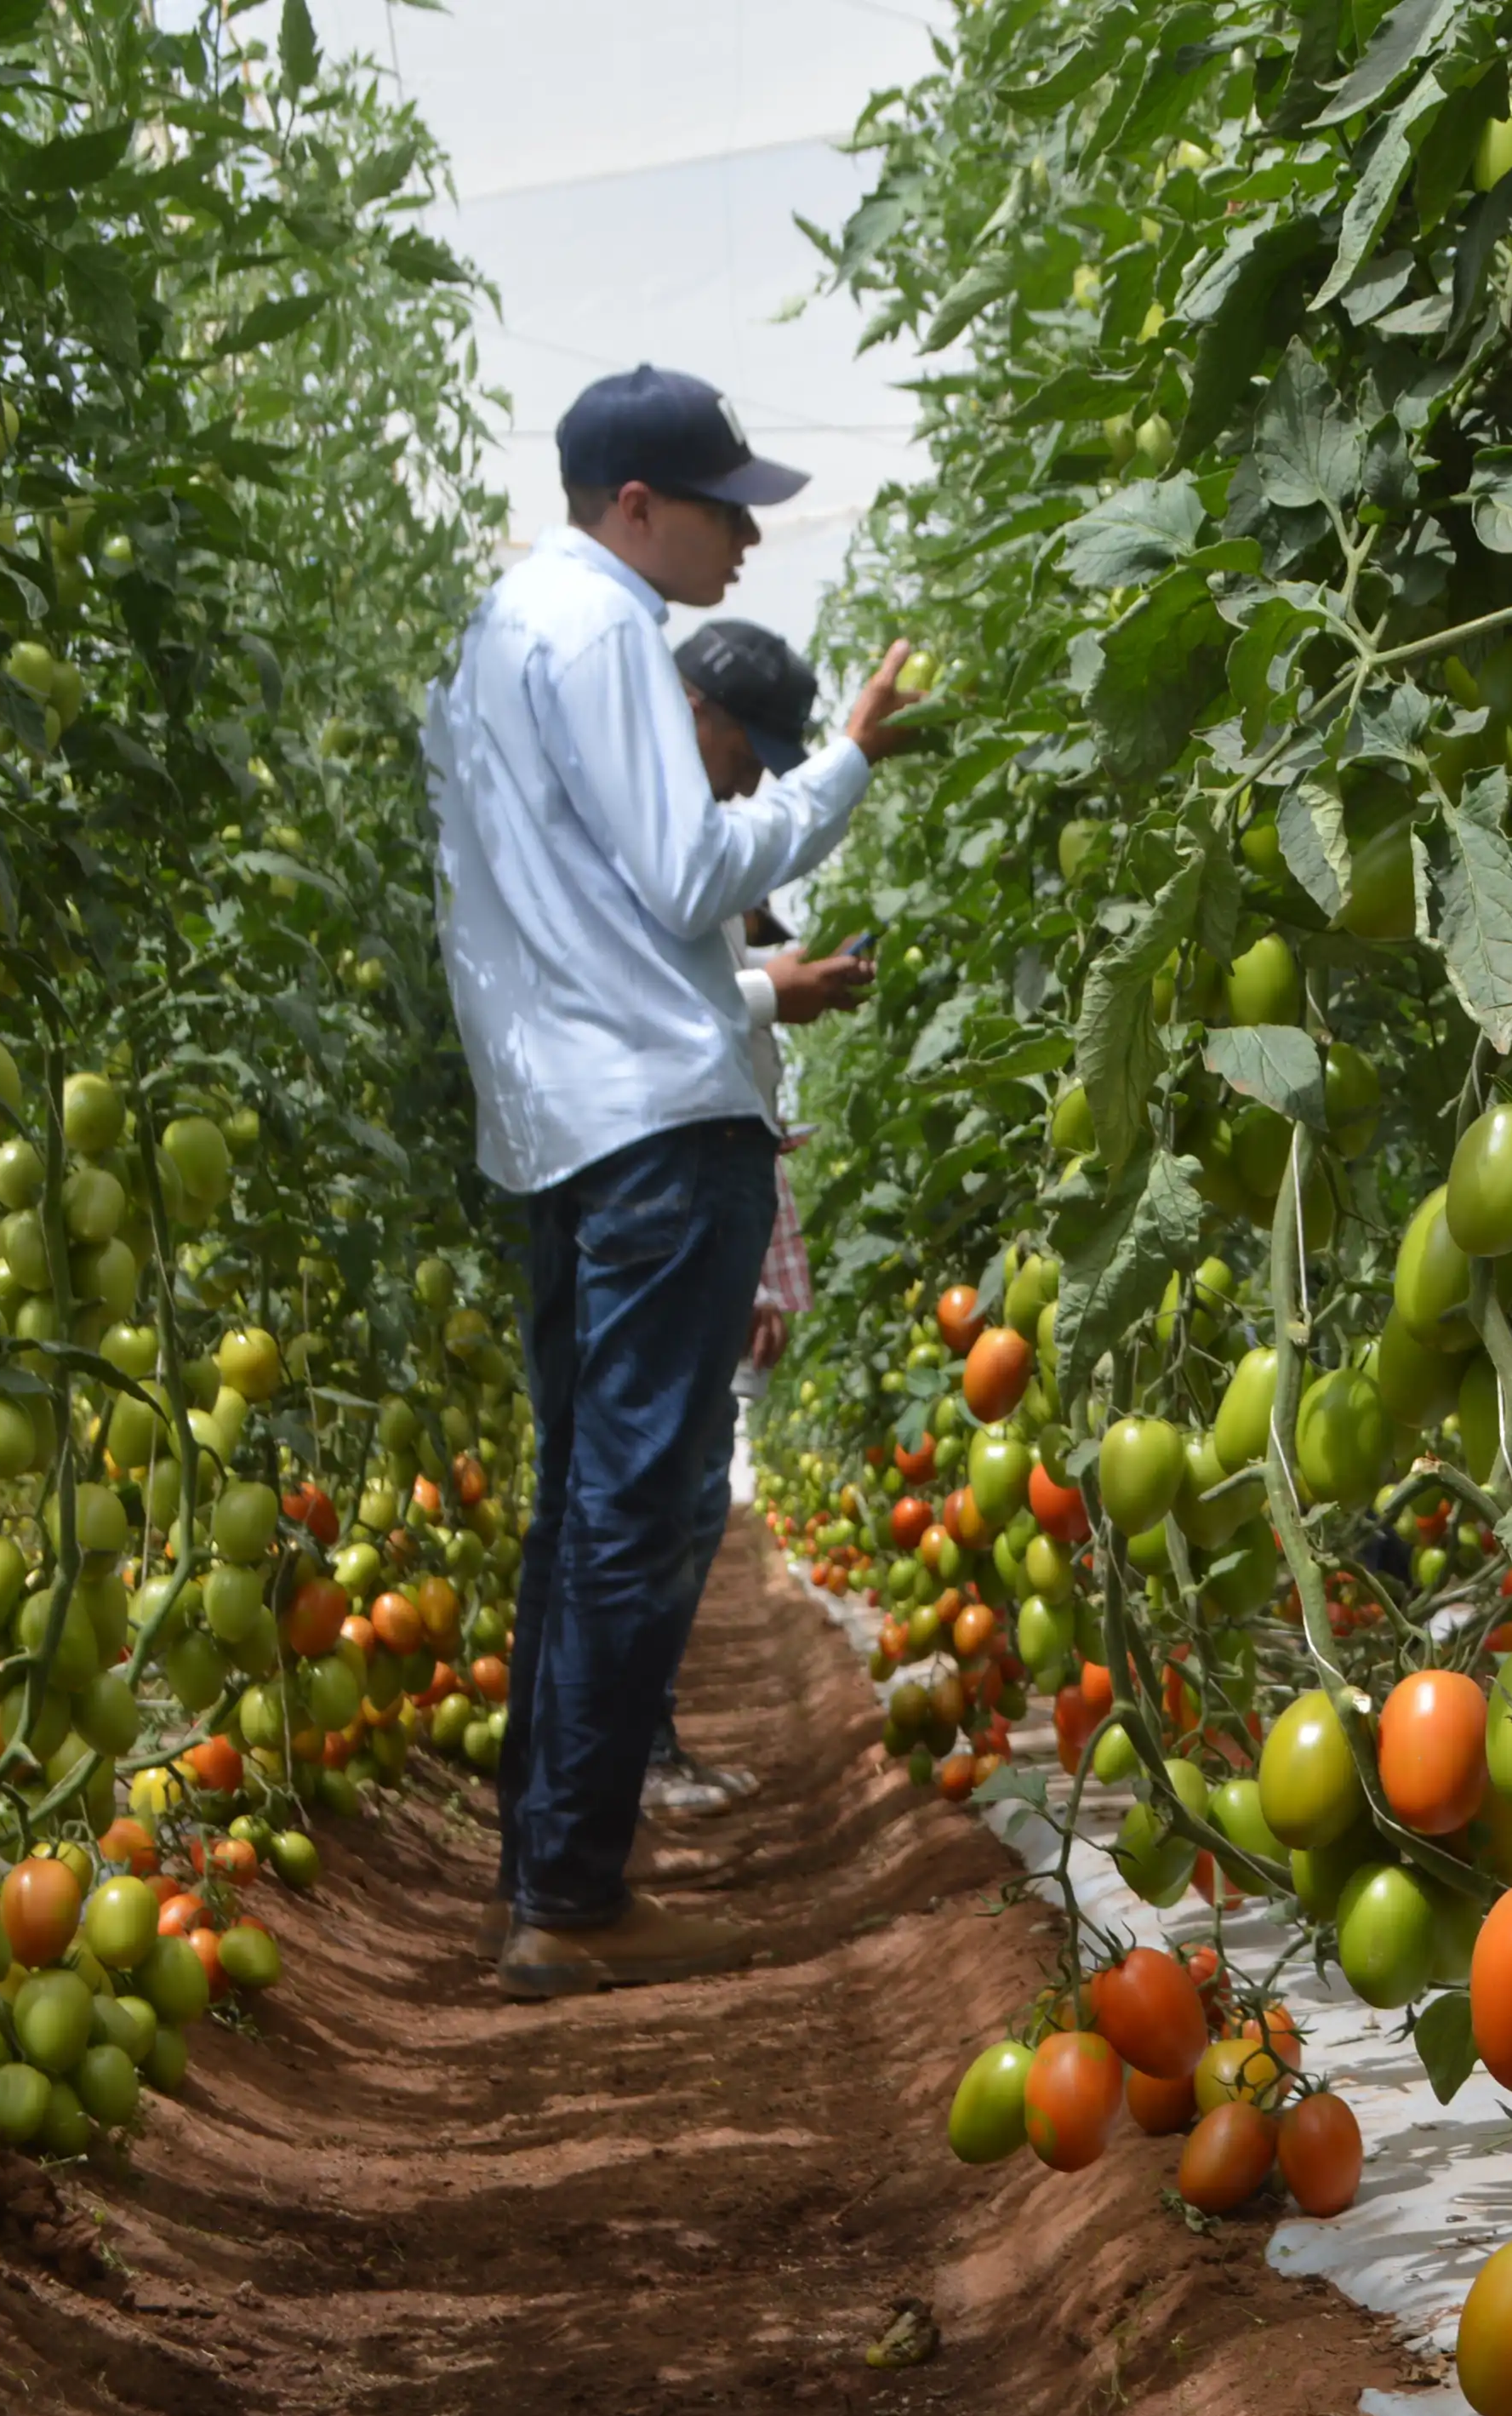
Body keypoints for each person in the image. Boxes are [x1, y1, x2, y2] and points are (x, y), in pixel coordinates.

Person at [423, 365, 920, 1996]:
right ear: (636, 505)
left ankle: (546, 1871)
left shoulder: (495, 643)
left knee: (585, 1503)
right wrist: (841, 763)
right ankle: (571, 1896)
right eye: (727, 510)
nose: (746, 543)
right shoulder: (606, 637)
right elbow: (691, 868)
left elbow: (570, 918)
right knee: (645, 1507)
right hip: (656, 1136)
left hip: (566, 1130)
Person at [643, 620, 872, 1819]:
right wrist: (767, 993)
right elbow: (631, 1002)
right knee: (645, 1494)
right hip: (651, 1191)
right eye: (751, 751)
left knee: (673, 1495)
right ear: (702, 711)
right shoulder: (645, 810)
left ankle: (643, 1745)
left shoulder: (689, 826)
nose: (752, 777)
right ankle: (627, 1757)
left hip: (698, 1195)